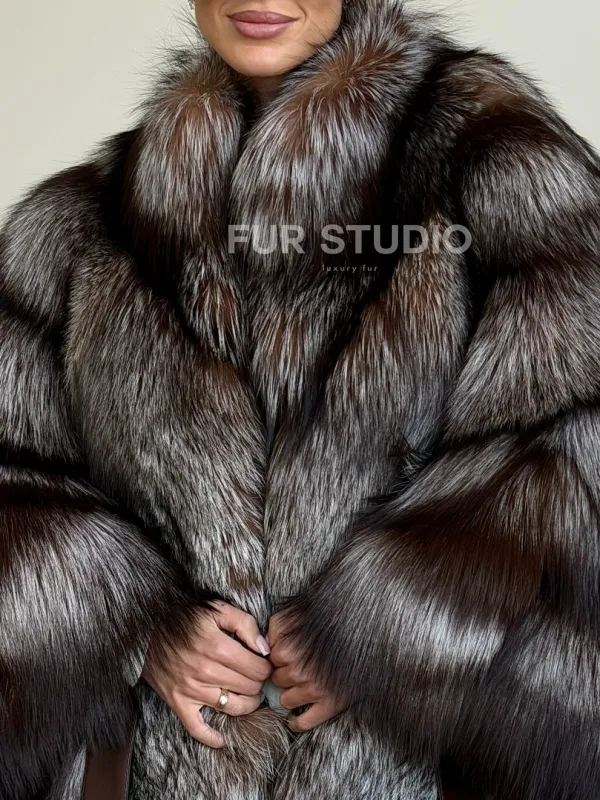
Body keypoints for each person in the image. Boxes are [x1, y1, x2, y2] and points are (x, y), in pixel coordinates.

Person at [1, 0, 599, 798]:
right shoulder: (78, 226)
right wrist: (134, 625)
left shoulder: (499, 165)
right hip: (170, 774)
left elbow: (572, 439)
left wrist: (388, 635)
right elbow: (16, 482)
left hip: (413, 767)